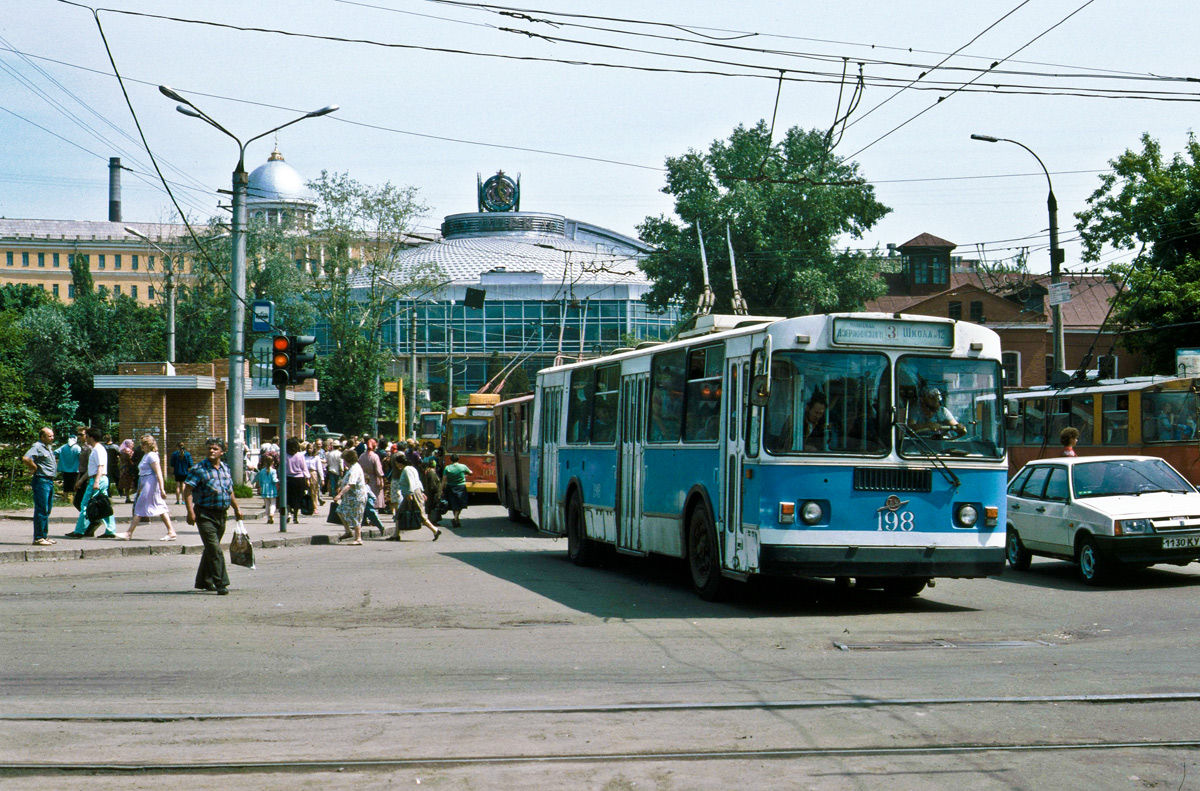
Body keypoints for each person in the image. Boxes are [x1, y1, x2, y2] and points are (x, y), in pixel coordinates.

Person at [183, 437, 244, 595]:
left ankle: (204, 580)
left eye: (215, 448)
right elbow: (187, 491)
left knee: (211, 549)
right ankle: (221, 583)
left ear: (222, 452)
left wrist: (237, 509)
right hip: (204, 514)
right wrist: (190, 512)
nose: (211, 451)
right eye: (209, 448)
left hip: (221, 514)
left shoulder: (225, 468)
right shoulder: (199, 469)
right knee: (215, 549)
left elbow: (229, 491)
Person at [116, 435, 177, 541]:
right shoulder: (146, 455)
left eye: (143, 444)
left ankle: (128, 533)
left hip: (151, 483)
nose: (141, 446)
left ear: (148, 445)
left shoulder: (152, 456)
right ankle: (171, 531)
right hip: (146, 481)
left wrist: (162, 489)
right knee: (160, 506)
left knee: (140, 506)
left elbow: (158, 473)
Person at [67, 427, 118, 538]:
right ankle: (111, 530)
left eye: (87, 436)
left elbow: (100, 466)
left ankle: (79, 531)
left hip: (97, 479)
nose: (86, 438)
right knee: (103, 505)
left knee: (84, 504)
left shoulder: (98, 450)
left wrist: (96, 481)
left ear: (91, 437)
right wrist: (81, 480)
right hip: (97, 478)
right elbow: (91, 469)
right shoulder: (96, 449)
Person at [389, 455, 441, 540]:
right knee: (400, 513)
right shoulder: (412, 468)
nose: (396, 465)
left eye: (397, 463)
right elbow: (418, 481)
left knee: (420, 514)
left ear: (400, 463)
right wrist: (422, 491)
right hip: (412, 493)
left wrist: (410, 493)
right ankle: (396, 535)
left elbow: (412, 482)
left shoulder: (407, 470)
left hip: (412, 494)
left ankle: (435, 530)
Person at [23, 427, 57, 546]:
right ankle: (38, 537)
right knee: (41, 509)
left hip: (49, 481)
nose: (52, 438)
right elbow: (26, 458)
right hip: (41, 481)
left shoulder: (48, 447)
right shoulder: (37, 447)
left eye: (52, 436)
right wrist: (34, 467)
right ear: (42, 437)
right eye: (49, 436)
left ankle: (44, 536)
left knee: (47, 509)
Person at [332, 448, 366, 545]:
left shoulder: (355, 469)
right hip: (350, 498)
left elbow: (351, 484)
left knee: (356, 516)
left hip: (356, 497)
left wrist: (339, 495)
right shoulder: (352, 468)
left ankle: (358, 538)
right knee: (340, 511)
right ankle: (348, 532)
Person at [441, 453, 473, 528]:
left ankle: (456, 519)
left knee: (454, 503)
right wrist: (466, 474)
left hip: (450, 487)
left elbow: (444, 480)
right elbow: (471, 472)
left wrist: (441, 490)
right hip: (460, 487)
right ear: (458, 459)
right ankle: (456, 518)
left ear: (451, 460)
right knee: (460, 503)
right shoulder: (462, 467)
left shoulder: (447, 468)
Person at [283, 437, 308, 522]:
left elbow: (281, 468)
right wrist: (307, 478)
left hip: (287, 478)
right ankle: (295, 516)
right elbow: (304, 467)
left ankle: (289, 512)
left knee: (288, 497)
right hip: (299, 479)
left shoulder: (284, 455)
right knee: (298, 498)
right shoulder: (300, 455)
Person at [56, 428, 83, 502]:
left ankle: (65, 498)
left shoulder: (63, 447)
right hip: (75, 469)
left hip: (65, 469)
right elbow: (81, 457)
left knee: (66, 485)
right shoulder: (77, 448)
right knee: (74, 484)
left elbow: (55, 452)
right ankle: (73, 499)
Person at [359, 437, 385, 505]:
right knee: (374, 496)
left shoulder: (362, 456)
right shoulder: (375, 456)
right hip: (374, 478)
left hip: (364, 478)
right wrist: (381, 480)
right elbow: (378, 470)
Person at [255, 454, 279, 524]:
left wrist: (260, 487)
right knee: (273, 503)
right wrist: (279, 481)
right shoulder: (273, 471)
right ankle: (272, 513)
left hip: (265, 488)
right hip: (271, 488)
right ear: (273, 462)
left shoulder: (262, 471)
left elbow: (260, 480)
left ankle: (268, 517)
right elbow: (274, 480)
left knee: (267, 504)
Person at [422, 458, 443, 523]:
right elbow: (433, 484)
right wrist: (437, 491)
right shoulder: (431, 473)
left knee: (431, 506)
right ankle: (432, 520)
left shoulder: (428, 471)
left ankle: (431, 520)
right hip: (432, 493)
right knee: (433, 507)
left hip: (429, 492)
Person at [118, 439, 138, 503]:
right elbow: (131, 460)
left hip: (123, 469)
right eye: (131, 444)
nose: (133, 445)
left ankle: (127, 497)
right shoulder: (128, 451)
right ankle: (133, 498)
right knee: (131, 483)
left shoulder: (122, 450)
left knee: (126, 484)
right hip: (129, 469)